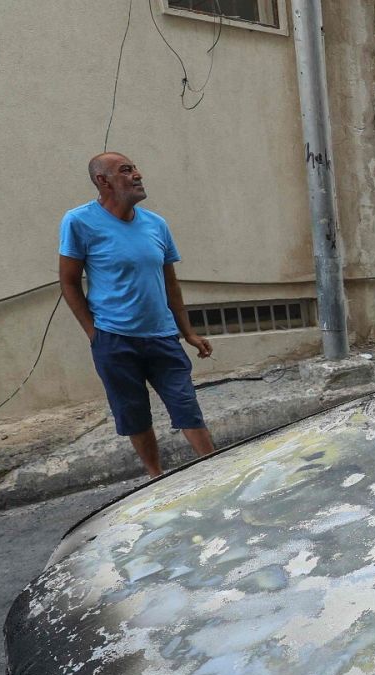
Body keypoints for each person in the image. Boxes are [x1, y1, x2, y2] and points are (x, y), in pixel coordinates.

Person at [59, 152, 216, 478]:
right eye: (126, 170)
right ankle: (156, 477)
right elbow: (69, 282)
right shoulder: (79, 222)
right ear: (103, 181)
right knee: (134, 413)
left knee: (185, 404)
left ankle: (216, 469)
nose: (138, 175)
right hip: (114, 339)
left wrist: (188, 332)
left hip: (162, 336)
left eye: (135, 168)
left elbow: (171, 284)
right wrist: (95, 334)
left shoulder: (156, 224)